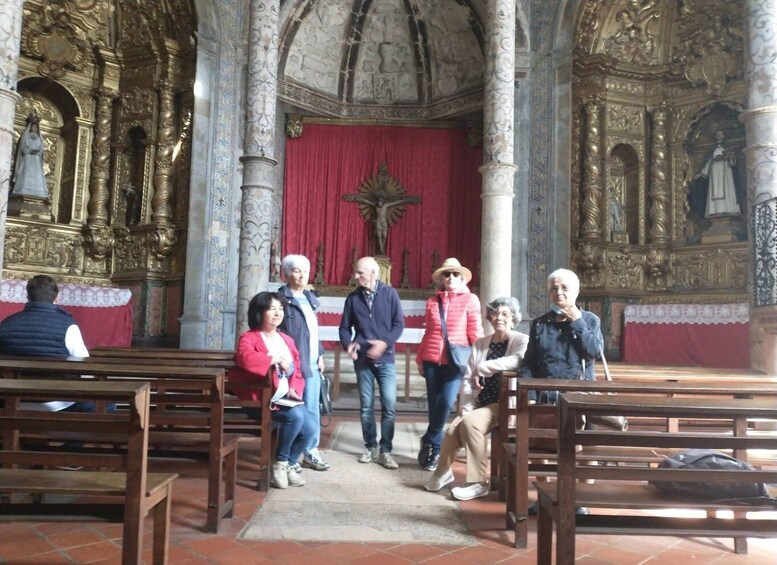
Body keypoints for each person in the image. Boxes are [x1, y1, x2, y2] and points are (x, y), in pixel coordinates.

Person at [424, 297, 528, 501]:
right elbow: (467, 380)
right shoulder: (481, 343)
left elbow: (517, 360)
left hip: (504, 404)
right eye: (495, 313)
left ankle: (478, 482)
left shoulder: (521, 340)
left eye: (505, 314)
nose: (499, 318)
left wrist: (484, 367)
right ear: (489, 317)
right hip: (481, 403)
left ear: (513, 318)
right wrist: (466, 408)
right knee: (453, 428)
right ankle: (443, 473)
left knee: (471, 423)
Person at [519, 268, 603, 516]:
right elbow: (529, 363)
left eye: (565, 288)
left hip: (579, 397)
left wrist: (576, 321)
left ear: (576, 291)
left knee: (584, 449)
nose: (559, 292)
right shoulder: (540, 324)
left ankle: (581, 498)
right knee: (539, 447)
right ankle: (544, 494)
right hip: (546, 395)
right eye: (554, 288)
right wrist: (530, 397)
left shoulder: (590, 320)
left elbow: (594, 352)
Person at [230, 291, 318, 489]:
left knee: (311, 427)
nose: (278, 313)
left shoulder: (286, 339)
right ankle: (280, 463)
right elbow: (245, 359)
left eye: (280, 309)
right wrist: (275, 359)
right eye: (272, 309)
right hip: (260, 399)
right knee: (295, 417)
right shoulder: (249, 338)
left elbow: (297, 370)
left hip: (284, 397)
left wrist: (294, 389)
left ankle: (289, 463)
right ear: (259, 312)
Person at [415, 257, 483, 471]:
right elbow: (428, 332)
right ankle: (435, 450)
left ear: (462, 278)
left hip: (457, 361)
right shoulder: (432, 301)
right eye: (447, 274)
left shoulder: (471, 300)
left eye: (455, 274)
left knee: (446, 402)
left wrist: (479, 363)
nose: (451, 277)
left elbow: (475, 332)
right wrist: (420, 358)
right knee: (435, 406)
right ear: (442, 279)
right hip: (431, 359)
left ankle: (428, 439)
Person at [338, 256, 404, 469]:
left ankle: (386, 450)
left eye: (360, 272)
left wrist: (384, 343)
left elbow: (398, 325)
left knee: (389, 406)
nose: (356, 276)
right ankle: (371, 447)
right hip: (363, 360)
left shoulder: (390, 294)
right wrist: (348, 344)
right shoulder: (352, 298)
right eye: (356, 272)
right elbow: (344, 328)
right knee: (366, 407)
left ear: (374, 273)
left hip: (386, 359)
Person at [0, 275, 92, 412]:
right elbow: (86, 368)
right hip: (58, 401)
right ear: (57, 298)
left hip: (13, 400)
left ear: (28, 297)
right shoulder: (68, 325)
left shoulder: (6, 324)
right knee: (107, 405)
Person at [277, 254, 331, 472]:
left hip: (312, 364)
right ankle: (289, 456)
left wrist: (320, 354)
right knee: (295, 411)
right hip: (293, 366)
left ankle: (310, 451)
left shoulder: (310, 298)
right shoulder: (280, 299)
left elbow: (312, 331)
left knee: (312, 408)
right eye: (297, 270)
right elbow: (278, 333)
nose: (302, 275)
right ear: (287, 273)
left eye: (305, 271)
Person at [695, 130, 740, 217]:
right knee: (714, 190)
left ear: (724, 136)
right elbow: (708, 161)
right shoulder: (712, 149)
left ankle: (728, 209)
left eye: (720, 134)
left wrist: (727, 156)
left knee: (727, 188)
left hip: (726, 170)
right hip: (714, 172)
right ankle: (715, 210)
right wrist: (702, 173)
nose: (718, 136)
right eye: (717, 134)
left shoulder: (727, 147)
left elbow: (733, 162)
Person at [12, 115, 49, 199]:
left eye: (36, 127)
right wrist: (29, 151)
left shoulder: (39, 138)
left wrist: (37, 152)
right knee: (26, 174)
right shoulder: (26, 136)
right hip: (28, 158)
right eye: (33, 127)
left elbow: (41, 149)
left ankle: (37, 192)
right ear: (30, 127)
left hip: (36, 159)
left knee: (37, 176)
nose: (34, 128)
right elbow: (23, 147)